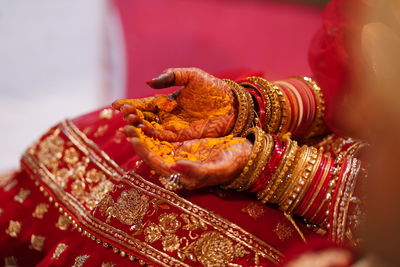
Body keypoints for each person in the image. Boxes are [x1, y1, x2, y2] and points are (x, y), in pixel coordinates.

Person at [0, 0, 369, 266]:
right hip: (333, 147)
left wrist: (267, 165)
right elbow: (358, 93)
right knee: (114, 135)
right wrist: (251, 106)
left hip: (362, 218)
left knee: (166, 216)